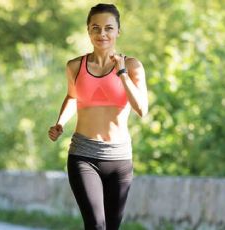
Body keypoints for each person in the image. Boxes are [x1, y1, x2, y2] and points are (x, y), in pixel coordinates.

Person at [48, 3, 148, 230]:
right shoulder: (75, 66)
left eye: (108, 28)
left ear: (118, 31)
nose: (102, 33)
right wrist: (60, 123)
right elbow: (73, 97)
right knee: (96, 225)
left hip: (120, 157)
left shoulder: (133, 66)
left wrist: (122, 73)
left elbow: (141, 109)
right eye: (96, 28)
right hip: (83, 154)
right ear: (88, 31)